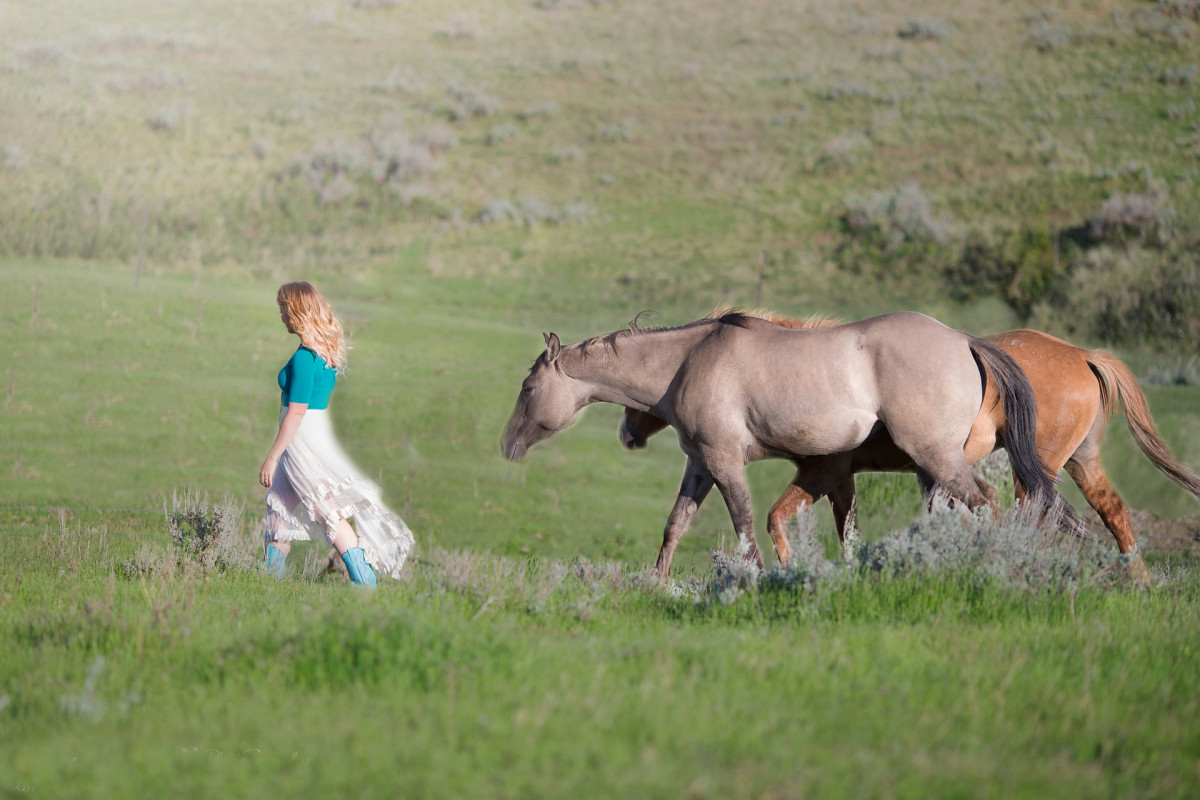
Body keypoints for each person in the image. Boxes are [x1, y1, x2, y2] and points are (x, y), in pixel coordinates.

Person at [258, 281, 414, 586]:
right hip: (306, 436)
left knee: (325, 510)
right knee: (278, 505)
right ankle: (268, 581)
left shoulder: (305, 358)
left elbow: (296, 413)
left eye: (283, 310)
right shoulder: (322, 354)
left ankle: (364, 581)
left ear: (297, 312)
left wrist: (272, 457)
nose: (281, 317)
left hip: (300, 439)